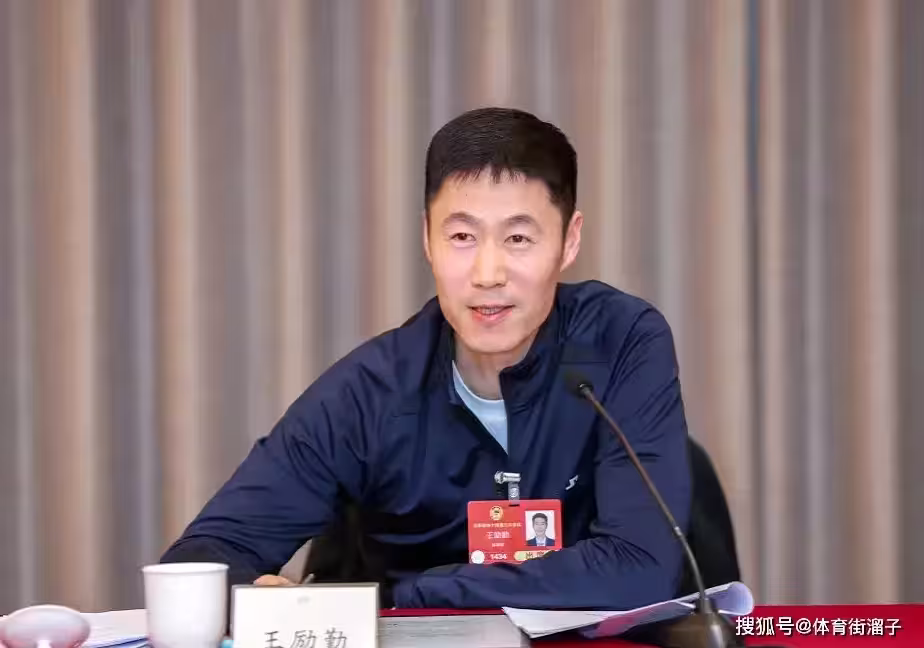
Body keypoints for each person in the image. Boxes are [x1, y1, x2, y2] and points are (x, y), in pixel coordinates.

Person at [160, 106, 693, 611]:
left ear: (569, 241)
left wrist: (416, 592)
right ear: (427, 239)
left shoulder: (620, 342)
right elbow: (198, 563)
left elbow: (643, 567)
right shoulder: (372, 392)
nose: (487, 274)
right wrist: (258, 596)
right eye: (462, 236)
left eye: (518, 237)